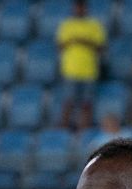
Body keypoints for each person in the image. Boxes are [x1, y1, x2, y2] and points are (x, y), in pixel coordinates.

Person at [56, 0, 106, 129]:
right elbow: (60, 46)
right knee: (68, 102)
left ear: (86, 9)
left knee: (86, 104)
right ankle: (63, 133)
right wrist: (73, 41)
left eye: (81, 8)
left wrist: (84, 41)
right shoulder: (66, 25)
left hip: (89, 70)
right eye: (77, 8)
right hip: (70, 70)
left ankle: (83, 133)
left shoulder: (94, 25)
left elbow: (101, 47)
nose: (79, 10)